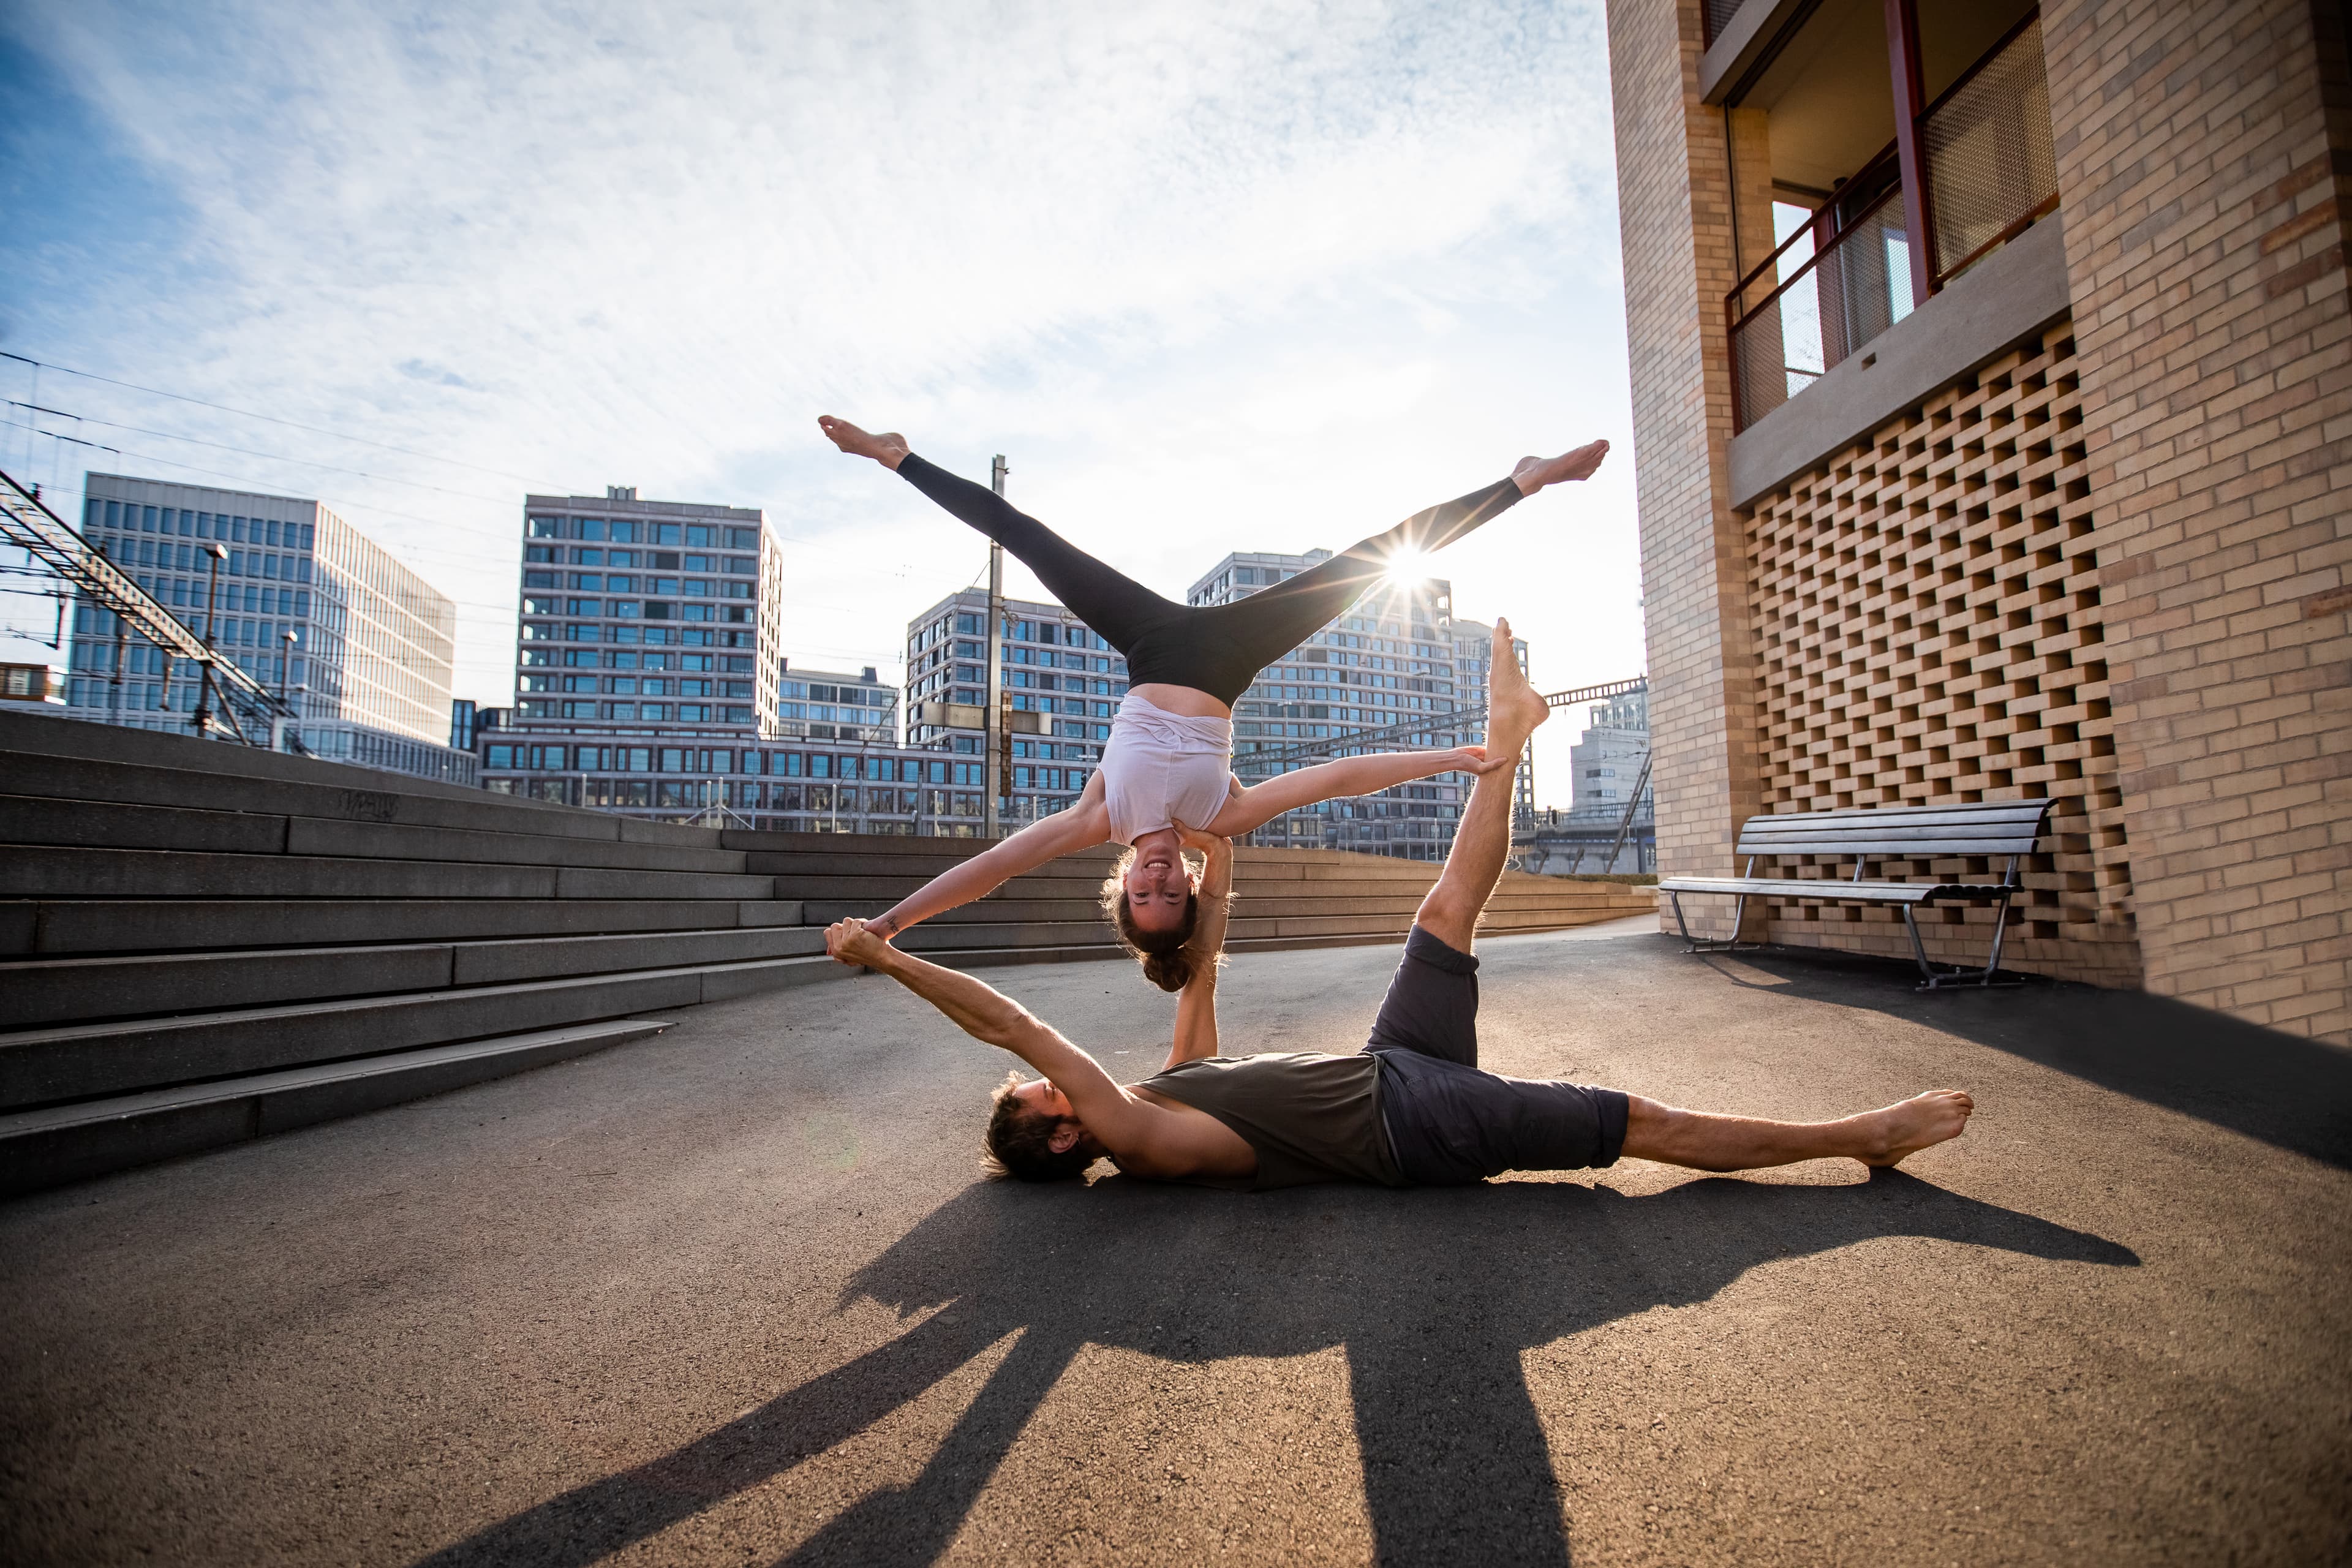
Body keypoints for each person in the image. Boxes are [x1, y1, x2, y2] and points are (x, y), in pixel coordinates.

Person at [824, 622, 1975, 1189]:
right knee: (1634, 1122)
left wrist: (1209, 869)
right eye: (1042, 1094)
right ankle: (1859, 1138)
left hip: (1389, 1063)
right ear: (1064, 1131)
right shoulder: (1138, 1137)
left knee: (1446, 906)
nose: (1055, 1078)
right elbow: (1012, 1024)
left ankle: (1505, 745)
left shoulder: (1167, 1087)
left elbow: (1204, 966)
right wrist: (888, 953)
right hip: (1410, 1126)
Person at [817, 414, 1610, 991]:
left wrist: (888, 926)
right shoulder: (1221, 818)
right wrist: (1448, 758)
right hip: (1231, 655)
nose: (1159, 879)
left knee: (1027, 539)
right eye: (1172, 894)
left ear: (1125, 882)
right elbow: (1338, 779)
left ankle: (896, 455)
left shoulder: (1100, 818)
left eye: (1143, 893)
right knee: (1372, 561)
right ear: (1194, 887)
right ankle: (1524, 480)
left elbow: (992, 867)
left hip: (1147, 641)